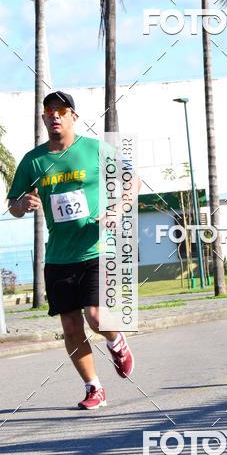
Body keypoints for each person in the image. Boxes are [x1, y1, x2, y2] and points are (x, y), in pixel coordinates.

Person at [7, 91, 134, 408]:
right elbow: (13, 205)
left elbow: (132, 181)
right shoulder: (34, 161)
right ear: (43, 118)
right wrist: (22, 204)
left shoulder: (94, 150)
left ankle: (116, 340)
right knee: (70, 326)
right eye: (49, 111)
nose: (54, 116)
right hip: (59, 257)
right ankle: (94, 388)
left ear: (73, 117)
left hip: (96, 248)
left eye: (61, 111)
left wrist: (118, 208)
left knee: (95, 316)